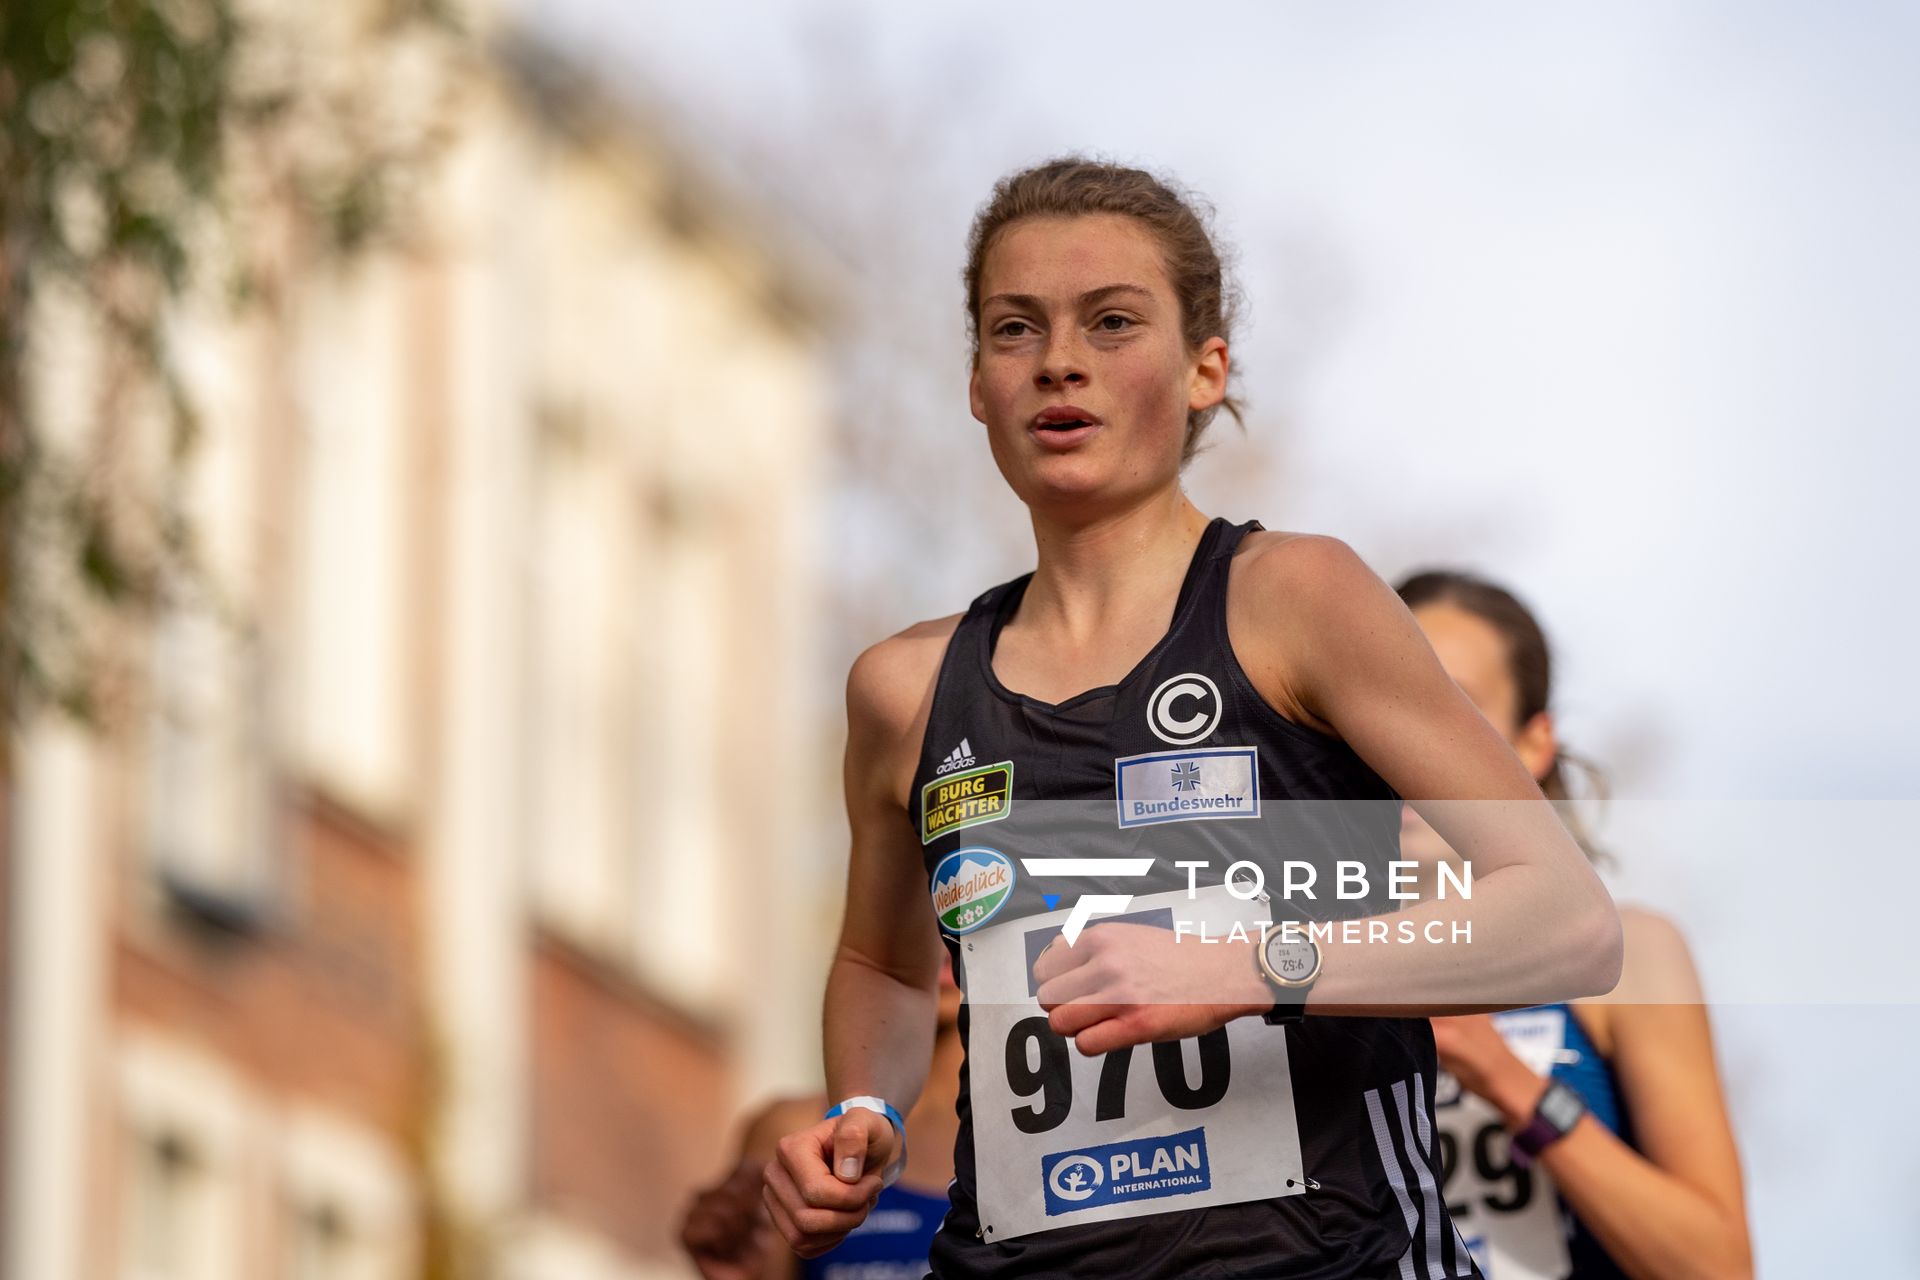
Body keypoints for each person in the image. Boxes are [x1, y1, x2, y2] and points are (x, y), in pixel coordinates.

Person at [765, 157, 1623, 1279]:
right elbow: (880, 963)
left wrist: (1250, 964)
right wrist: (866, 1105)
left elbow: (1569, 921)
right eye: (1014, 328)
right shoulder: (905, 688)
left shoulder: (1294, 602)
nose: (1060, 360)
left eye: (1112, 321)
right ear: (977, 380)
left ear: (1206, 367)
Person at [1396, 570, 1753, 1280]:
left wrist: (1500, 1074)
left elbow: (1719, 1265)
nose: (1408, 747)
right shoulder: (1297, 970)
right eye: (1382, 705)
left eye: (1454, 707)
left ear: (1534, 744)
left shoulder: (1631, 956)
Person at [680, 961, 964, 1280]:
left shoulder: (1027, 1137)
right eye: (924, 916)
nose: (943, 942)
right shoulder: (796, 1132)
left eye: (977, 911)